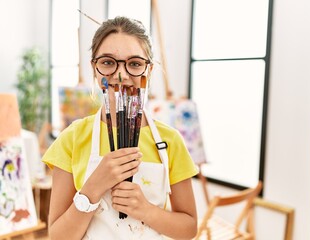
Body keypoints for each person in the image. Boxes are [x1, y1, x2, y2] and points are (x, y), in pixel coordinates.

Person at [42, 16, 199, 240]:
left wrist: (146, 210)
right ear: (94, 69)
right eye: (107, 62)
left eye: (135, 63)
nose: (121, 75)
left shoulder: (170, 140)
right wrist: (93, 188)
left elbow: (189, 228)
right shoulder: (71, 139)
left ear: (149, 70)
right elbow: (57, 237)